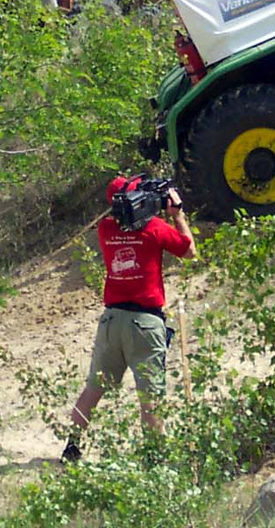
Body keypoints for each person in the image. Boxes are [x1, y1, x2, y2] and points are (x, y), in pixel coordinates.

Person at [63, 173, 196, 461]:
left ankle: (72, 447)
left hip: (111, 320)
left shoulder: (105, 228)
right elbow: (189, 250)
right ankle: (155, 458)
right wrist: (178, 215)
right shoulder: (154, 228)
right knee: (150, 398)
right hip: (145, 323)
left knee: (93, 390)